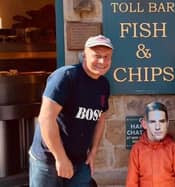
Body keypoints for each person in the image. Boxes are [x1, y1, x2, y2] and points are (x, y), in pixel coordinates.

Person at [29, 34, 114, 187]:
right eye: (97, 56)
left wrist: (93, 152)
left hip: (80, 161)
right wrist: (60, 158)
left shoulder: (103, 85)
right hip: (49, 160)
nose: (102, 61)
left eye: (106, 57)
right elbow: (45, 119)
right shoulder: (66, 77)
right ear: (84, 55)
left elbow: (100, 119)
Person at [126, 101, 175, 187]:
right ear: (145, 124)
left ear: (167, 124)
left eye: (162, 121)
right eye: (153, 122)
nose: (158, 127)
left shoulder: (172, 148)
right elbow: (131, 182)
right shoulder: (137, 150)